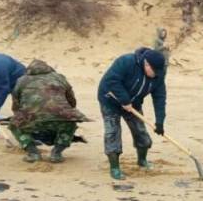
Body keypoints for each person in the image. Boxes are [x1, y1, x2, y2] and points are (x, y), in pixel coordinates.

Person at [98, 47, 167, 180]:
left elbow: (160, 98)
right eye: (154, 71)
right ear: (146, 63)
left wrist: (160, 122)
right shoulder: (126, 62)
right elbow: (111, 80)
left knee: (141, 133)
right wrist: (124, 99)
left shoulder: (158, 75)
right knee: (112, 132)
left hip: (133, 104)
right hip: (110, 100)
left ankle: (142, 160)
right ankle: (115, 167)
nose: (156, 74)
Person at [9, 60, 90, 163]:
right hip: (60, 116)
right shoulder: (59, 77)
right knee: (69, 124)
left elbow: (16, 103)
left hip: (31, 118)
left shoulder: (21, 80)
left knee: (14, 126)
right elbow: (71, 100)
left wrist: (19, 117)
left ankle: (33, 153)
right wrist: (68, 112)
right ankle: (56, 153)